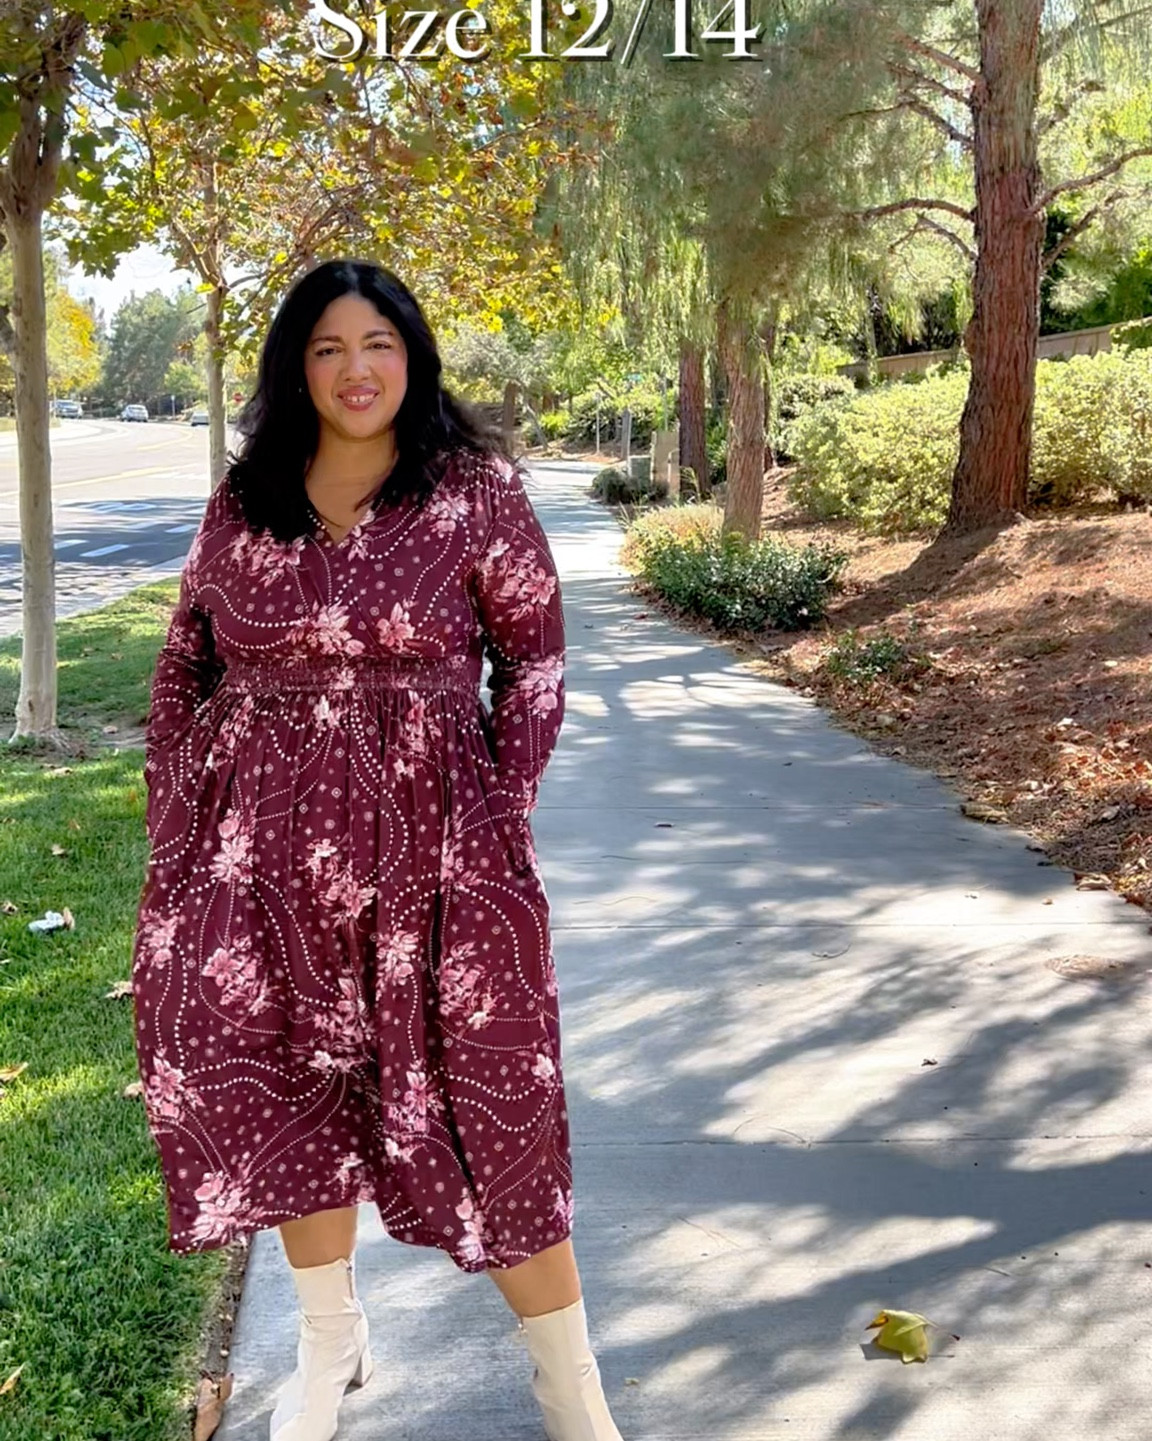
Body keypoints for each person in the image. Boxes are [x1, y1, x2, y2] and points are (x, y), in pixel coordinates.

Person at [131, 259, 624, 1441]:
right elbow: (186, 658)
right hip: (260, 859)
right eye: (326, 348)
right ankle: (326, 1342)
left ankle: (571, 1385)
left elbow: (537, 663)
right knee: (292, 1089)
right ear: (294, 369)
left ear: (413, 353)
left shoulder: (472, 490)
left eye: (378, 343)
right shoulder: (247, 493)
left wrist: (494, 812)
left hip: (441, 856)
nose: (356, 369)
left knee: (494, 1101)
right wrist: (180, 820)